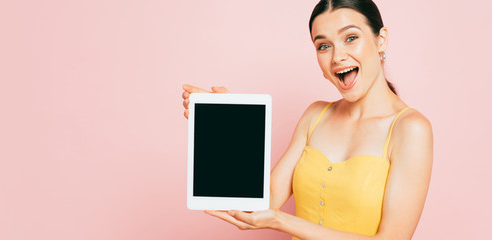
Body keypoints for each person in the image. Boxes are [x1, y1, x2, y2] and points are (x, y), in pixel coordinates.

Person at [180, 0, 433, 239]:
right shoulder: (315, 115)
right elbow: (259, 204)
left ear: (381, 40)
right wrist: (230, 124)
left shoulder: (410, 129)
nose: (337, 57)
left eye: (351, 38)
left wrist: (281, 221)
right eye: (323, 45)